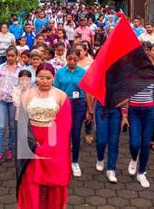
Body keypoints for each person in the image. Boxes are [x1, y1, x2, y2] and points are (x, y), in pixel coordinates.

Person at [17, 63, 72, 208]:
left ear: (53, 78)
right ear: (36, 77)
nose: (45, 81)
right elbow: (22, 122)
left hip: (54, 142)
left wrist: (48, 147)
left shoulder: (61, 96)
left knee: (53, 181)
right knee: (30, 180)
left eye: (48, 78)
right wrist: (32, 144)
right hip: (32, 141)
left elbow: (64, 125)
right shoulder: (27, 95)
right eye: (41, 77)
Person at [54, 49, 94, 177]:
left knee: (76, 133)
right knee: (64, 134)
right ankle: (62, 160)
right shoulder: (60, 73)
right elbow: (56, 90)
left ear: (78, 59)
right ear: (66, 59)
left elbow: (87, 91)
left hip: (79, 104)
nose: (72, 61)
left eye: (75, 59)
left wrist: (90, 109)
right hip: (64, 104)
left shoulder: (83, 72)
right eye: (69, 59)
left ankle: (75, 161)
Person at [125, 80, 154, 188]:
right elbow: (125, 95)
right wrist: (123, 112)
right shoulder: (130, 76)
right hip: (134, 110)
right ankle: (134, 158)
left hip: (149, 111)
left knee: (146, 143)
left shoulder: (152, 76)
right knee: (135, 143)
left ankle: (141, 172)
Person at [0, 47, 21, 165]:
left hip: (13, 101)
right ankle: (0, 151)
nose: (10, 58)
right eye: (8, 55)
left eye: (12, 55)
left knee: (12, 126)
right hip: (1, 99)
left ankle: (10, 149)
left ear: (16, 56)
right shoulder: (1, 67)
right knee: (1, 126)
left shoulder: (20, 69)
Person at [94, 89, 122, 183]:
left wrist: (123, 102)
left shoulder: (120, 76)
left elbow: (128, 92)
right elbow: (93, 91)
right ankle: (100, 158)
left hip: (116, 110)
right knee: (101, 140)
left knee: (114, 141)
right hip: (102, 108)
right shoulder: (99, 76)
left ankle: (111, 169)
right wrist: (90, 108)